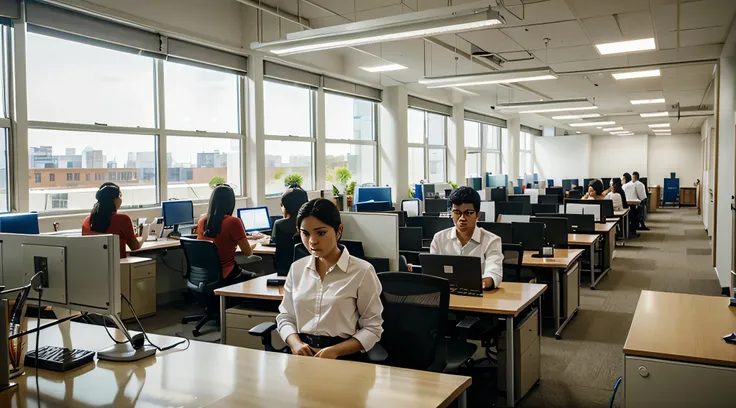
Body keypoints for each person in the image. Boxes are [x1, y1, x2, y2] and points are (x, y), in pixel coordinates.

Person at [277, 198, 383, 360]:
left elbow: (373, 328)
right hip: (302, 355)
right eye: (305, 233)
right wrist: (295, 344)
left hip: (343, 356)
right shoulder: (297, 269)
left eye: (321, 233)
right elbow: (285, 317)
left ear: (338, 230)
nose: (312, 241)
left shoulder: (362, 272)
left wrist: (335, 351)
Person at [429, 186, 503, 289]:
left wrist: (483, 282)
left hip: (479, 295)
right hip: (447, 295)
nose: (462, 218)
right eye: (457, 212)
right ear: (451, 213)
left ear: (478, 215)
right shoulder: (439, 239)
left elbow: (494, 272)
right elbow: (433, 273)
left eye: (468, 213)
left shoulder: (492, 241)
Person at [196, 184, 257, 283]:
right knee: (254, 277)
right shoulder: (233, 222)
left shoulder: (202, 221)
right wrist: (255, 245)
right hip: (227, 272)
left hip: (205, 274)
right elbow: (247, 252)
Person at [82, 182, 148, 259]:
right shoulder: (122, 220)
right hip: (117, 267)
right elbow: (134, 247)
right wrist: (144, 236)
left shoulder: (86, 222)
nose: (121, 199)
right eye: (119, 196)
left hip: (93, 268)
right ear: (115, 200)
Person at [270, 185, 309, 274]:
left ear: (285, 206)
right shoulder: (309, 223)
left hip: (284, 269)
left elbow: (274, 242)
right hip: (305, 269)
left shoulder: (279, 224)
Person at [621, 173, 641, 238]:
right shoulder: (633, 185)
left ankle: (626, 231)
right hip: (634, 205)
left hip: (627, 206)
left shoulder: (624, 186)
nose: (622, 180)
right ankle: (632, 231)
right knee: (633, 216)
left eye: (623, 178)